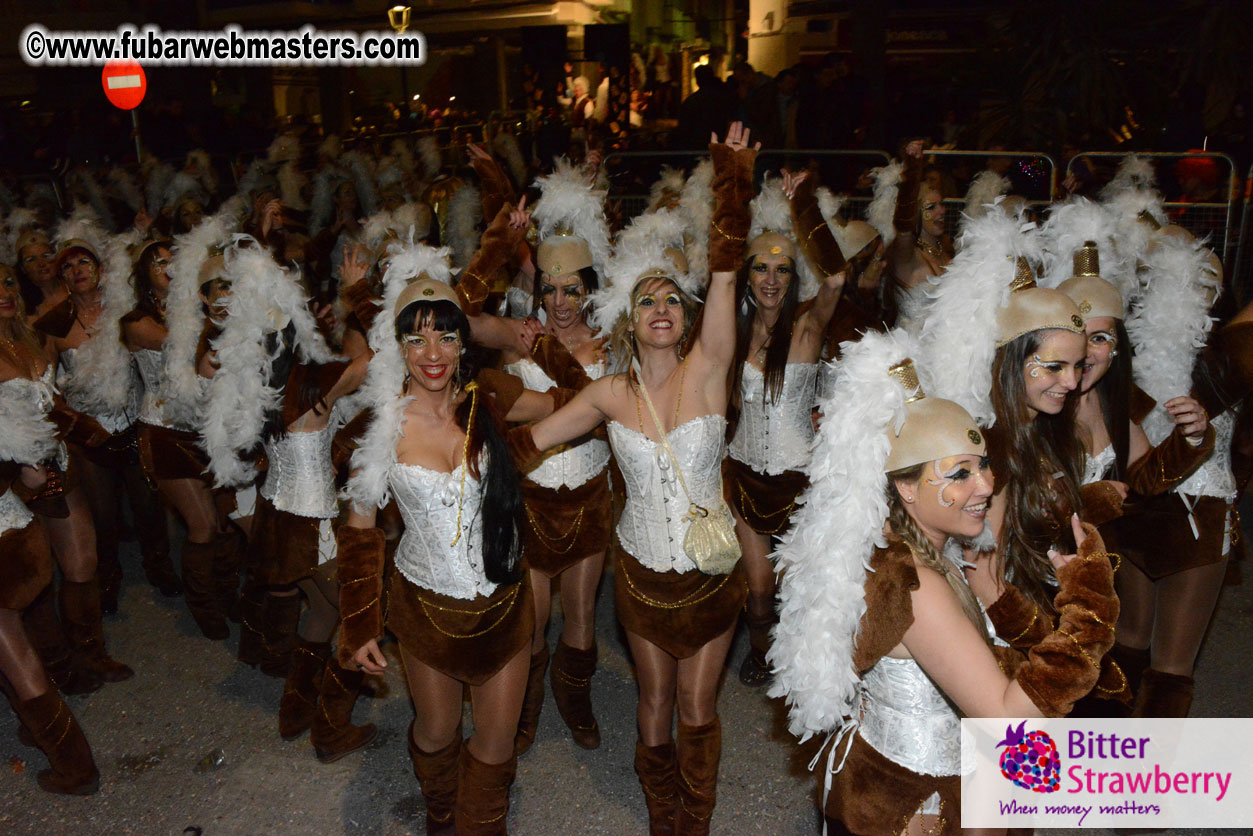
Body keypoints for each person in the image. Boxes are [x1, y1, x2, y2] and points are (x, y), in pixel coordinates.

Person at [769, 332, 1117, 836]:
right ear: (906, 487)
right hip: (922, 803)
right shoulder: (915, 585)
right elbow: (1003, 718)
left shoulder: (910, 547)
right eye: (959, 474)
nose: (986, 485)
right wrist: (1090, 609)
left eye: (982, 465)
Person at [512, 124, 756, 836]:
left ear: (684, 319)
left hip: (711, 576)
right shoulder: (607, 393)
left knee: (697, 708)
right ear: (630, 316)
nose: (659, 309)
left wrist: (731, 177)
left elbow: (723, 271)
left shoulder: (709, 371)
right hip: (643, 576)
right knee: (653, 702)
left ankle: (696, 816)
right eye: (647, 301)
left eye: (670, 302)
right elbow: (529, 443)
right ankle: (659, 808)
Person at [338, 236, 554, 835]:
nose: (432, 352)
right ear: (398, 346)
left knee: (496, 743)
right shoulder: (379, 429)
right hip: (426, 609)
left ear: (464, 342)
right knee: (436, 733)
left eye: (447, 335)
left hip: (505, 602)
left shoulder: (490, 399)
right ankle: (439, 814)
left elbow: (569, 402)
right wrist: (358, 627)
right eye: (416, 337)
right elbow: (360, 531)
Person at [727, 172, 845, 686]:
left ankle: (801, 672)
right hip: (744, 476)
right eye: (761, 269)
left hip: (799, 482)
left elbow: (837, 280)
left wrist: (802, 206)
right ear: (748, 275)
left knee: (801, 589)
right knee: (758, 588)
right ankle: (759, 655)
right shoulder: (729, 333)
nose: (770, 279)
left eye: (781, 270)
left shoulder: (806, 328)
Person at [0, 265, 100, 795]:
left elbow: (52, 408)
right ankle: (66, 750)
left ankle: (68, 743)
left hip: (41, 482)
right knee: (14, 622)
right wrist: (15, 469)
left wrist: (93, 437)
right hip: (16, 492)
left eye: (7, 283)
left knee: (45, 589)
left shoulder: (31, 341)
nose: (4, 294)